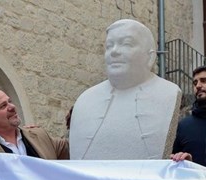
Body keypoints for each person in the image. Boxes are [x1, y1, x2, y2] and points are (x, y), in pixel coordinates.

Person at [69, 19, 182, 160]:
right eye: (109, 46)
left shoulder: (168, 93)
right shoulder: (85, 100)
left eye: (127, 44)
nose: (114, 51)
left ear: (150, 57)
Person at [0, 85, 69, 160]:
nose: (12, 107)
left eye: (9, 101)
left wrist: (77, 113)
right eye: (3, 106)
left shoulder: (39, 135)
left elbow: (77, 147)